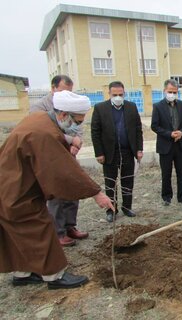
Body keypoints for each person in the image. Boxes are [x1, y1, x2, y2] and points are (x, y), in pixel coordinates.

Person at [0, 90, 114, 290]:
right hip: (15, 189)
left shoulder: (40, 119)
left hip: (12, 182)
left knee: (19, 232)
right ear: (63, 115)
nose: (77, 126)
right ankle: (54, 276)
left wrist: (68, 140)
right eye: (77, 121)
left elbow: (50, 140)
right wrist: (96, 193)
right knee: (40, 228)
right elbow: (63, 171)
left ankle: (23, 273)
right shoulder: (44, 134)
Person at [30, 75, 88, 247]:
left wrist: (75, 146)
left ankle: (70, 226)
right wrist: (69, 141)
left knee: (72, 192)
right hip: (51, 158)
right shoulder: (40, 108)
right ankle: (59, 231)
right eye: (63, 91)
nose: (66, 95)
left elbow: (77, 129)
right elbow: (44, 133)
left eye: (69, 92)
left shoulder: (72, 107)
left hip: (69, 154)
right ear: (53, 88)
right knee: (57, 195)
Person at [91, 81, 144, 222]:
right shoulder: (100, 108)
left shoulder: (131, 107)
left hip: (127, 151)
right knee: (110, 182)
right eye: (115, 95)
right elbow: (95, 132)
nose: (118, 97)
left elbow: (138, 129)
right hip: (109, 153)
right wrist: (99, 153)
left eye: (120, 94)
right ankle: (111, 210)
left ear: (124, 93)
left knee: (127, 181)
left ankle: (127, 207)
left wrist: (139, 149)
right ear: (109, 94)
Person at [151, 79, 182, 205]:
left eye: (174, 92)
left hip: (180, 144)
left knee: (181, 173)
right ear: (164, 91)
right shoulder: (158, 106)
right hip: (165, 145)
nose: (172, 94)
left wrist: (181, 132)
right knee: (166, 173)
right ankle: (167, 197)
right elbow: (154, 126)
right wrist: (169, 134)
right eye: (170, 91)